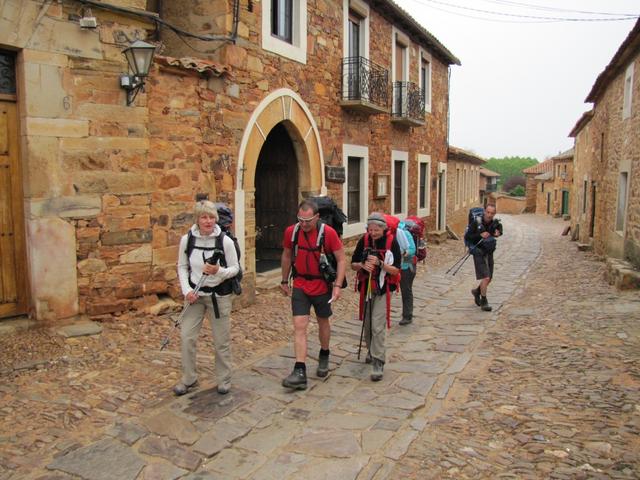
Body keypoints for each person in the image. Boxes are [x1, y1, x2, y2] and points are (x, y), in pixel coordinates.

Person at [174, 200, 240, 396]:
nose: (208, 221)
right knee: (187, 337)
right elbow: (182, 266)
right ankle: (189, 379)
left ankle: (224, 379)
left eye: (212, 217)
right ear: (197, 219)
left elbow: (235, 268)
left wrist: (218, 271)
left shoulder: (225, 241)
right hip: (195, 295)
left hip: (218, 296)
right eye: (204, 217)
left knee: (221, 340)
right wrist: (186, 290)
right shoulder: (187, 240)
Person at [280, 199, 346, 390]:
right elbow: (286, 255)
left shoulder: (328, 233)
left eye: (308, 221)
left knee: (323, 321)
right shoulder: (291, 232)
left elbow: (341, 259)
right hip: (300, 283)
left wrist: (337, 285)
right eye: (300, 219)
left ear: (317, 217)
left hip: (321, 285)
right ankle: (299, 370)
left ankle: (324, 354)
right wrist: (285, 280)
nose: (304, 224)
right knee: (299, 326)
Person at [351, 213, 401, 381]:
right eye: (370, 229)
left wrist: (380, 264)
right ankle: (371, 350)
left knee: (378, 325)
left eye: (376, 229)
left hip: (383, 288)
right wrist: (362, 265)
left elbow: (396, 270)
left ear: (383, 228)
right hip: (366, 287)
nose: (373, 233)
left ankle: (378, 361)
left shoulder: (391, 242)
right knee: (367, 323)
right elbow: (353, 264)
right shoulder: (363, 241)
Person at [464, 204, 502, 312]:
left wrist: (498, 233)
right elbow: (468, 236)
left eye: (492, 213)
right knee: (485, 277)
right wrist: (480, 235)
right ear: (484, 211)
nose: (489, 215)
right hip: (478, 252)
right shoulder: (476, 222)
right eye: (488, 212)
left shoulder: (494, 223)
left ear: (494, 214)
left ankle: (477, 291)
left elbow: (500, 229)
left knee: (489, 278)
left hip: (489, 251)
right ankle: (484, 301)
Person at [397, 222, 417, 325]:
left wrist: (404, 253)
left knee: (406, 290)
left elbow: (412, 249)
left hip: (407, 266)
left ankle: (407, 315)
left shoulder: (405, 233)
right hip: (396, 266)